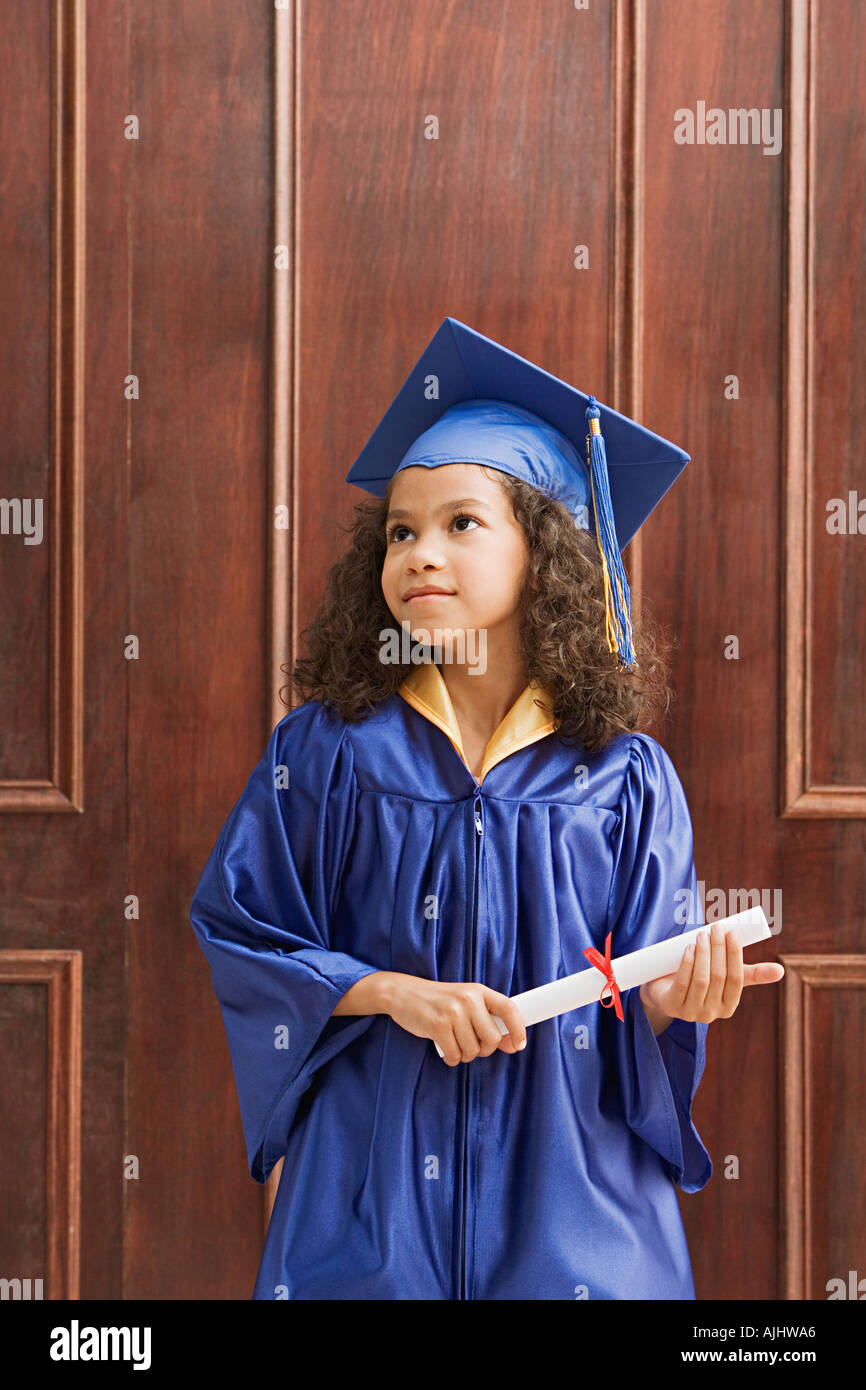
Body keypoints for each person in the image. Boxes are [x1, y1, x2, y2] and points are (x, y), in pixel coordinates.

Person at [189, 317, 784, 1300]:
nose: (421, 551)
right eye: (399, 530)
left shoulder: (622, 777)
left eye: (461, 523)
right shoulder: (326, 753)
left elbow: (641, 982)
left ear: (547, 553)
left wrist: (680, 1000)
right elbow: (240, 927)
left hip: (570, 1194)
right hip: (370, 1186)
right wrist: (392, 993)